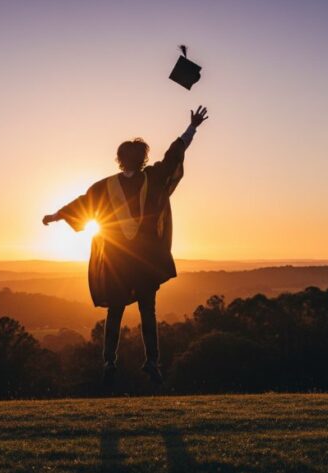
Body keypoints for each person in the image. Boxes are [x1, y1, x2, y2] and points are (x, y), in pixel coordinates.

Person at [42, 106, 209, 385]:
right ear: (143, 159)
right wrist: (192, 128)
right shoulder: (152, 178)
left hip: (118, 260)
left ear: (119, 159)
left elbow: (82, 204)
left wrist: (56, 216)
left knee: (116, 311)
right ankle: (152, 362)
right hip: (145, 260)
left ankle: (109, 361)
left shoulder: (105, 186)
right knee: (148, 311)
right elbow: (173, 155)